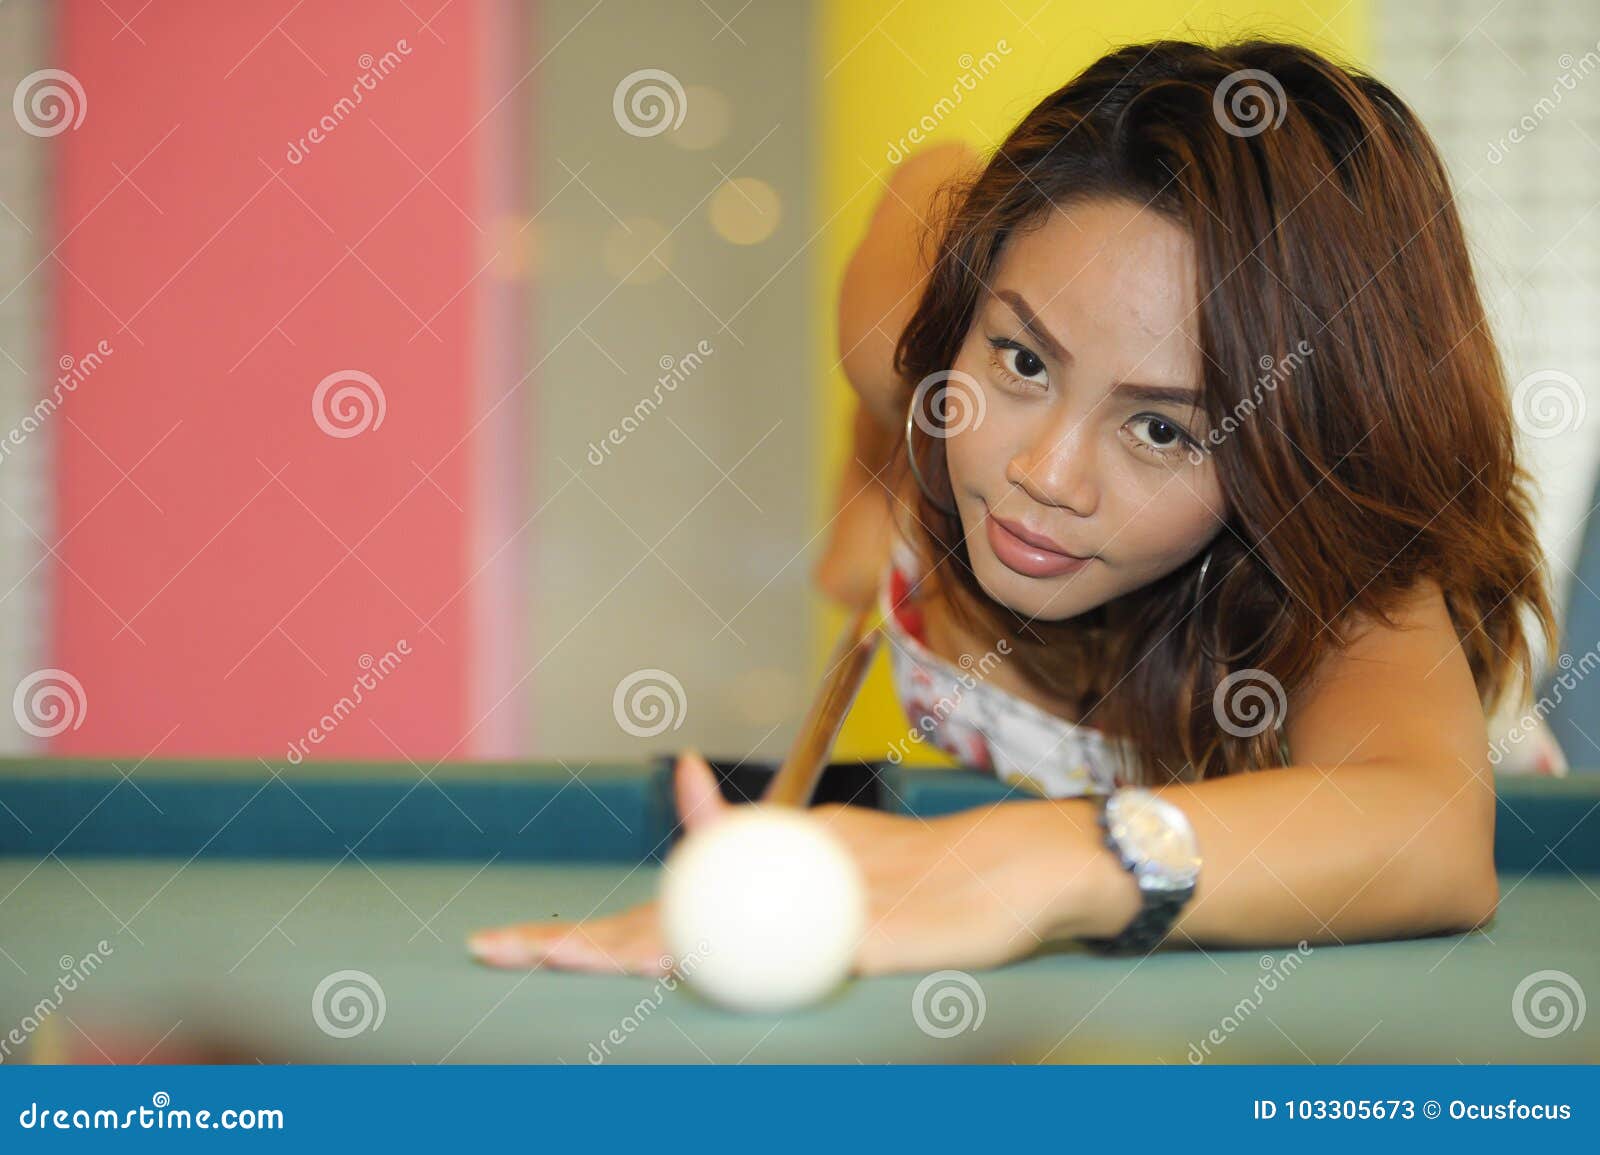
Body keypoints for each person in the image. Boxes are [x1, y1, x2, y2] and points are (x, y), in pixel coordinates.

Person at [469, 39, 1558, 974]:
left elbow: (1431, 841)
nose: (1045, 472)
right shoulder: (913, 362)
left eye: (1164, 430)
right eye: (1025, 356)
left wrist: (1017, 862)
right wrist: (877, 491)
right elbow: (934, 174)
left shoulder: (1338, 580)